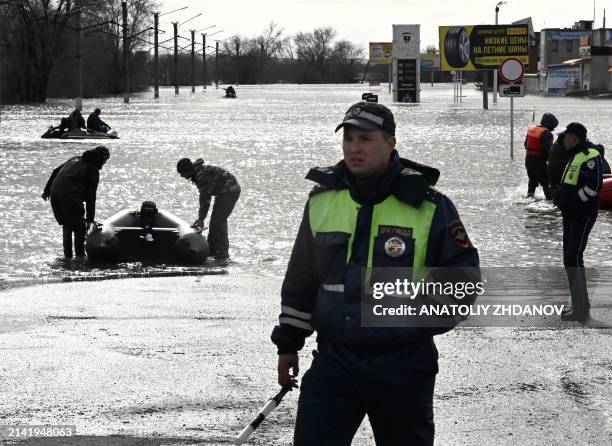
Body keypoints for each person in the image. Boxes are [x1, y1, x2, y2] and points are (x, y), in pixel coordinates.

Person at [270, 101, 480, 445]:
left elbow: (463, 283)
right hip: (334, 362)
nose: (354, 147)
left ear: (390, 143)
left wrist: (410, 321)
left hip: (403, 367)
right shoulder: (322, 200)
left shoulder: (429, 205)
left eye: (365, 138)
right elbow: (301, 281)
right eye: (348, 138)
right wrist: (289, 344)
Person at [552, 122, 602, 323]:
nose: (563, 139)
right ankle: (581, 306)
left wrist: (573, 199)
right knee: (570, 258)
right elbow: (570, 182)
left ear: (574, 137)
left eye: (566, 136)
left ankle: (580, 309)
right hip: (570, 214)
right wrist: (559, 194)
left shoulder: (591, 156)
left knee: (573, 258)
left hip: (583, 214)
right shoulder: (574, 154)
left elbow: (595, 186)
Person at [42, 146, 110, 258]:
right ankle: (80, 258)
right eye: (104, 162)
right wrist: (90, 220)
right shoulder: (92, 169)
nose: (102, 167)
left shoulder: (74, 159)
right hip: (70, 196)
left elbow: (55, 171)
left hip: (55, 194)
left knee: (67, 225)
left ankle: (67, 257)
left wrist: (46, 191)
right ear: (99, 159)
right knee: (80, 228)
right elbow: (91, 197)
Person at [176, 158, 241, 261]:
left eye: (182, 173)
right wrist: (201, 218)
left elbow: (205, 199)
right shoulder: (197, 173)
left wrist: (201, 219)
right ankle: (212, 251)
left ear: (188, 170)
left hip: (230, 191)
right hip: (223, 192)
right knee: (214, 222)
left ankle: (223, 254)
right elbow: (205, 197)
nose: (181, 176)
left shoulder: (201, 176)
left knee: (219, 222)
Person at [524, 113, 558, 199]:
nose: (553, 129)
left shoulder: (531, 129)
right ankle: (549, 199)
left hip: (528, 159)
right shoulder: (546, 134)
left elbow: (525, 144)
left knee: (532, 180)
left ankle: (530, 196)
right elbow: (549, 149)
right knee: (546, 182)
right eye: (553, 127)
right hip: (539, 160)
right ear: (549, 124)